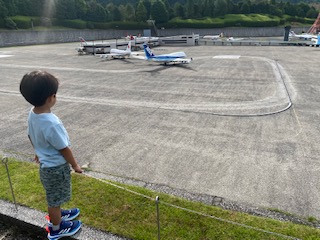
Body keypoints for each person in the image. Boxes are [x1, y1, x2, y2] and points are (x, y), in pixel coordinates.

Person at [19, 70, 83, 240]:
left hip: (46, 167)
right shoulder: (52, 123)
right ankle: (57, 227)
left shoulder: (33, 113)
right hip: (55, 168)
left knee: (55, 194)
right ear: (51, 97)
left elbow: (30, 135)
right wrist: (75, 165)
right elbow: (64, 148)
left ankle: (59, 214)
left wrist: (38, 152)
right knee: (53, 200)